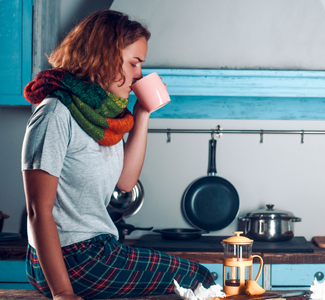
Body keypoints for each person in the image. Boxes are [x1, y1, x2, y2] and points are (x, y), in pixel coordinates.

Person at [21, 10, 214, 300]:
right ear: (104, 56)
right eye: (134, 63)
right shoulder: (55, 112)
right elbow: (38, 210)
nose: (138, 75)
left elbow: (125, 182)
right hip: (72, 258)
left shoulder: (101, 116)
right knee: (200, 280)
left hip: (94, 251)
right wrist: (62, 292)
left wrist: (143, 113)